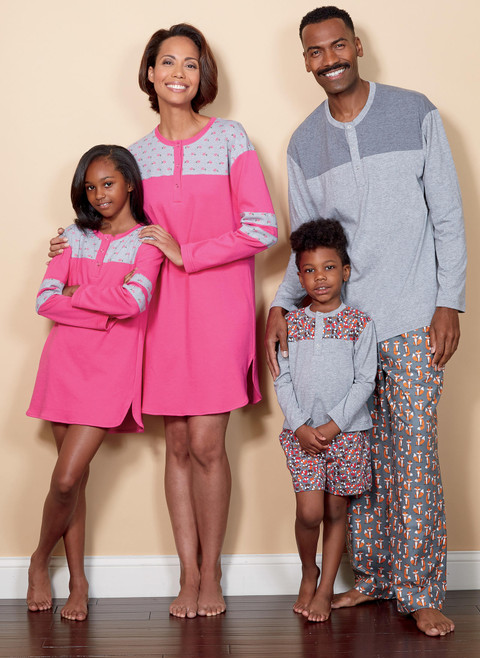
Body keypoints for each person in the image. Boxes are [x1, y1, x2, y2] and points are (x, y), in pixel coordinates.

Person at [49, 24, 277, 618]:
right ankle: (188, 573)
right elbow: (112, 226)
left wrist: (187, 251)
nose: (179, 73)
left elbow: (262, 227)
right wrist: (69, 246)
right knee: (175, 444)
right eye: (168, 62)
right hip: (156, 312)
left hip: (220, 307)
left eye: (191, 64)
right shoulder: (135, 157)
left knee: (207, 443)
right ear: (150, 73)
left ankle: (212, 573)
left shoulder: (230, 138)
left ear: (203, 75)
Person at [265, 6, 466, 637]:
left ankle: (420, 589)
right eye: (315, 51)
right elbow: (306, 244)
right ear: (306, 61)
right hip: (342, 330)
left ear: (357, 45)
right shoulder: (304, 142)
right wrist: (280, 303)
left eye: (337, 45)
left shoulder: (414, 111)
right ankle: (375, 577)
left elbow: (448, 215)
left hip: (411, 318)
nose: (329, 59)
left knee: (413, 457)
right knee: (359, 459)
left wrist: (450, 301)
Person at [27, 145, 163, 620]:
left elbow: (135, 302)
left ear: (129, 183)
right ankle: (77, 580)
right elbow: (45, 300)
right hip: (63, 364)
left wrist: (78, 294)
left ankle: (38, 557)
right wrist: (104, 308)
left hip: (109, 372)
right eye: (90, 187)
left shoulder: (148, 242)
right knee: (73, 483)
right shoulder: (72, 237)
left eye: (108, 183)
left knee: (65, 478)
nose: (100, 194)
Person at [275, 219, 376, 622]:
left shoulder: (360, 324)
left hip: (347, 436)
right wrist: (300, 425)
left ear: (345, 271)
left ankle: (325, 587)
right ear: (300, 277)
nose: (320, 277)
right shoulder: (291, 324)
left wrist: (334, 425)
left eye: (329, 267)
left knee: (336, 512)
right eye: (310, 270)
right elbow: (281, 378)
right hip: (301, 436)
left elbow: (365, 380)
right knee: (309, 513)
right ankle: (309, 572)